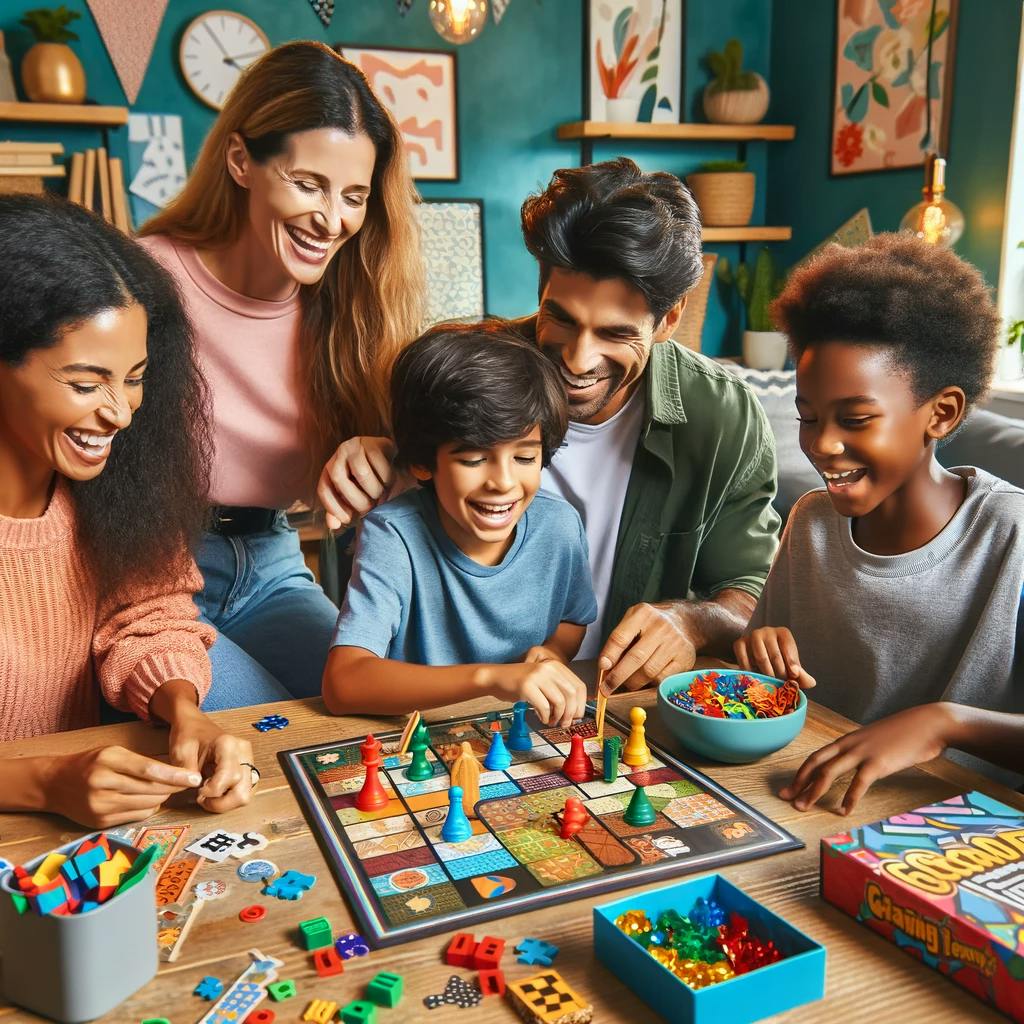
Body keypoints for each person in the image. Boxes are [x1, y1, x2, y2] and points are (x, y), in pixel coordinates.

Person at [329, 158, 781, 693]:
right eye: (561, 318)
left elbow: (749, 589)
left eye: (615, 332)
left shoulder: (723, 415)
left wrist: (691, 618)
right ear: (541, 288)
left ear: (671, 318)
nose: (578, 359)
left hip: (618, 708)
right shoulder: (463, 372)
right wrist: (381, 449)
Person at [138, 41, 423, 699]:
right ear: (242, 161)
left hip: (271, 562)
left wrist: (386, 449)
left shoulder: (354, 305)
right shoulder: (143, 278)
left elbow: (428, 460)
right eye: (308, 183)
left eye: (353, 195)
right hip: (153, 575)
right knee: (270, 740)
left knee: (366, 707)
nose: (333, 219)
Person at [734, 233, 1024, 813]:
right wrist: (755, 645)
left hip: (955, 830)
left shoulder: (1012, 536)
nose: (824, 445)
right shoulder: (812, 521)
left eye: (856, 419)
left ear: (940, 413)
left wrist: (946, 724)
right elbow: (768, 682)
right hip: (807, 802)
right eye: (808, 417)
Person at [0, 195, 257, 828]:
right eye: (86, 384)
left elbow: (148, 613)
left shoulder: (113, 483)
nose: (119, 412)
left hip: (77, 828)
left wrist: (186, 711)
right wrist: (44, 781)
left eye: (135, 376)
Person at [323, 322, 597, 728]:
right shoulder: (393, 534)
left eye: (524, 458)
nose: (502, 482)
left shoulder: (560, 524)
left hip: (512, 734)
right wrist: (491, 677)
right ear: (421, 461)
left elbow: (573, 619)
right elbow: (343, 683)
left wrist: (553, 653)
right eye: (473, 459)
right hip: (416, 741)